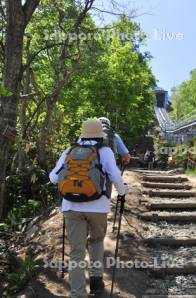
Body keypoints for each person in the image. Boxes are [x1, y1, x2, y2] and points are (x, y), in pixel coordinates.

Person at [49, 119, 128, 297]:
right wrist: (123, 192)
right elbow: (115, 177)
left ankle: (78, 294)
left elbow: (53, 178)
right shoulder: (105, 151)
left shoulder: (69, 151)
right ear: (101, 135)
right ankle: (96, 281)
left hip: (70, 206)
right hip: (98, 206)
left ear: (82, 134)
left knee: (76, 253)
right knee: (96, 241)